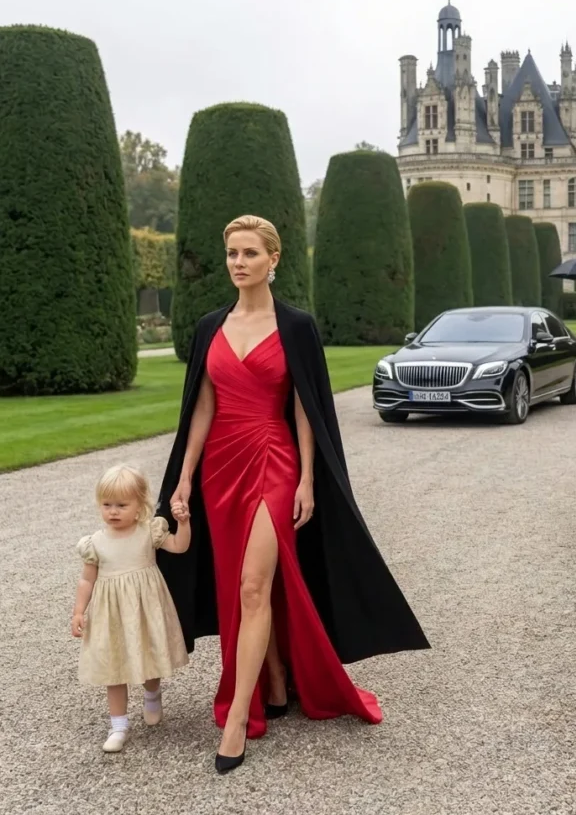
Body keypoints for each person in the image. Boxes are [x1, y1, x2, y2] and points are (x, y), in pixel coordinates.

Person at [156, 215, 430, 774]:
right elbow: (201, 408)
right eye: (232, 253)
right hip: (219, 468)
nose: (238, 263)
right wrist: (183, 477)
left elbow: (307, 404)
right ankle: (275, 678)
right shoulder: (210, 326)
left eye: (250, 253)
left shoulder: (297, 326)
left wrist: (307, 477)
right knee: (237, 589)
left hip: (274, 460)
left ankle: (238, 717)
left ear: (273, 260)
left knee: (254, 585)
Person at [71, 465, 190, 753]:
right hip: (110, 614)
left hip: (144, 610)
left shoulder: (149, 532)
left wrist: (183, 523)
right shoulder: (95, 543)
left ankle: (152, 694)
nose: (113, 511)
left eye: (121, 505)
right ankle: (118, 725)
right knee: (113, 668)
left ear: (140, 505)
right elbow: (87, 580)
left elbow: (180, 547)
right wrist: (79, 611)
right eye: (107, 505)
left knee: (149, 656)